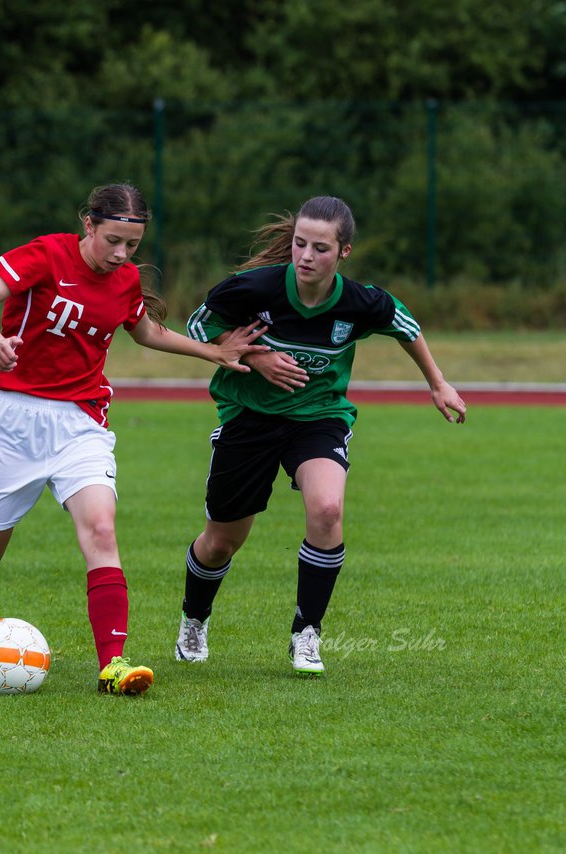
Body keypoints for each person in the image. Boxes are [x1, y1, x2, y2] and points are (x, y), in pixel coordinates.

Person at [0, 182, 269, 696]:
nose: (121, 254)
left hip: (81, 421)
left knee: (101, 531)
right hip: (13, 420)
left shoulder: (125, 279)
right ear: (89, 224)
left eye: (132, 245)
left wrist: (213, 352)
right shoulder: (46, 255)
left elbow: (147, 332)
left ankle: (113, 665)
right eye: (112, 240)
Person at [173, 195, 467, 676]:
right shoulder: (252, 289)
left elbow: (406, 325)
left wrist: (437, 383)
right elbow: (197, 329)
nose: (306, 256)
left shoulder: (358, 302)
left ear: (344, 252)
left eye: (320, 248)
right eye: (299, 244)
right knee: (222, 540)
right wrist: (253, 357)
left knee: (328, 509)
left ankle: (306, 633)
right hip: (248, 417)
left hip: (319, 417)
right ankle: (194, 619)